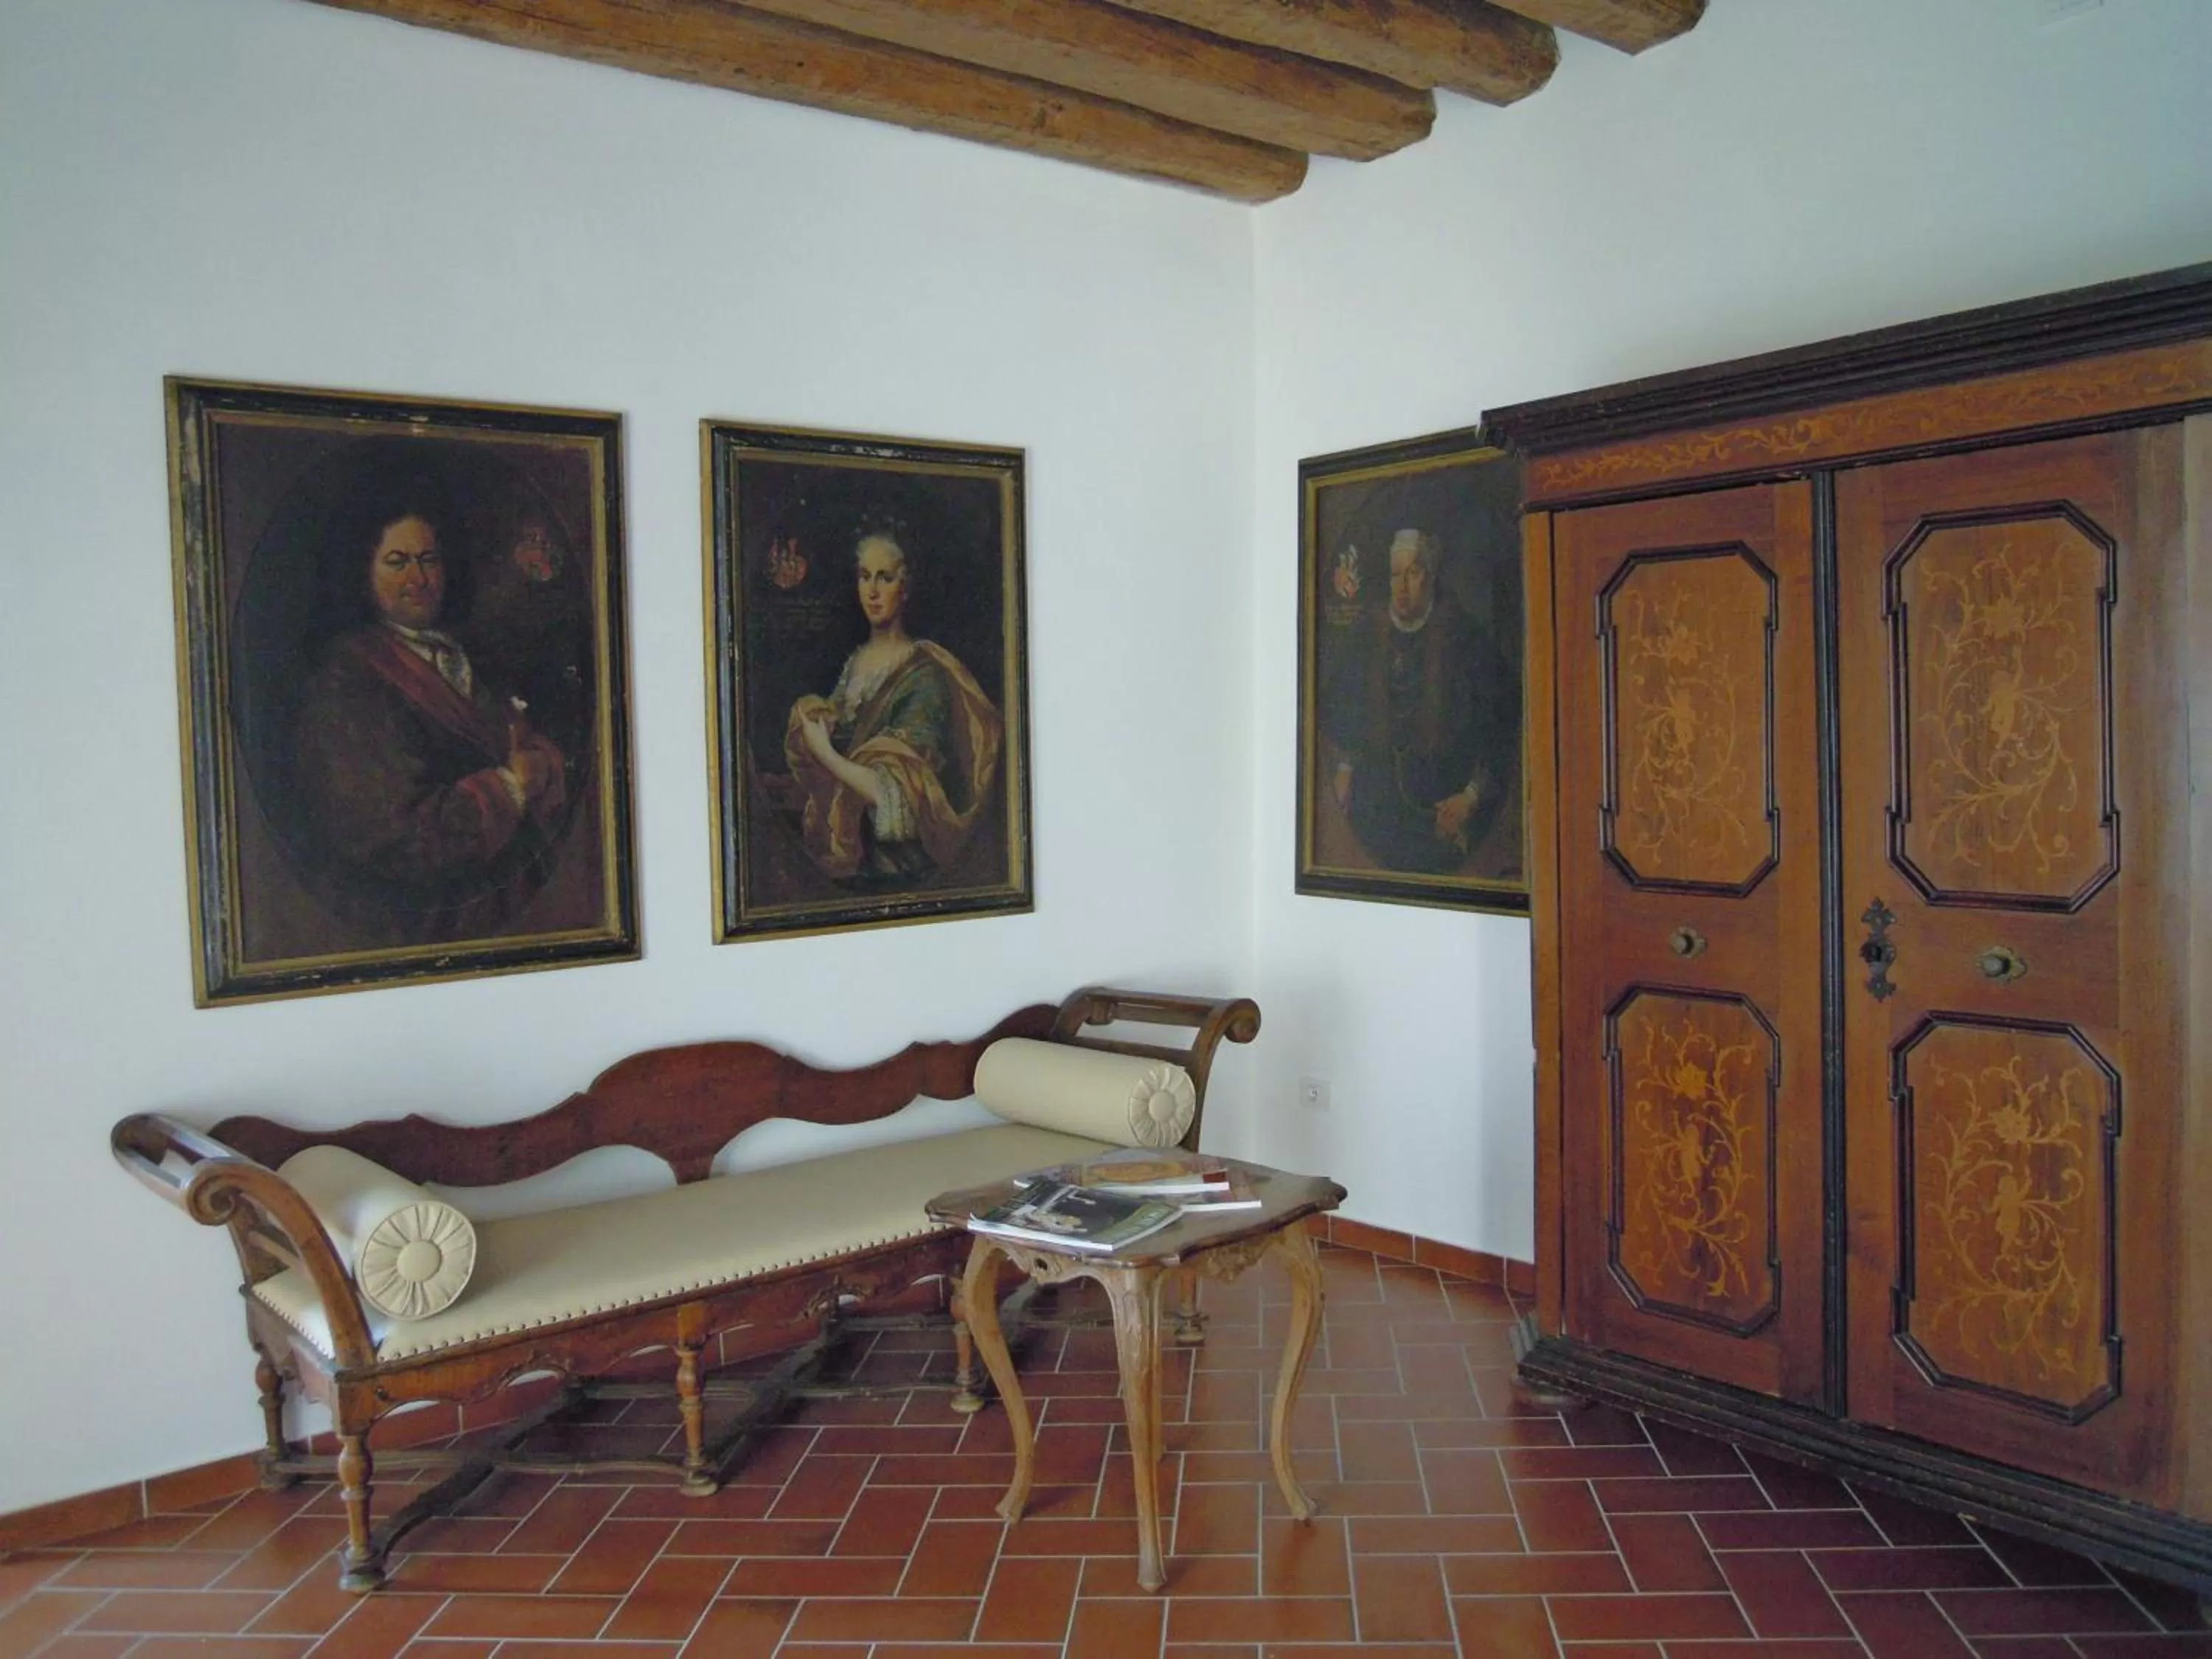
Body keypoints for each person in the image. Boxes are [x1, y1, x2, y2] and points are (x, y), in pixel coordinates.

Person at [292, 508, 568, 944]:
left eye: (429, 560)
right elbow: (393, 831)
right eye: (398, 562)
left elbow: (517, 738)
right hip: (417, 919)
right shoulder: (349, 677)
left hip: (507, 905)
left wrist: (541, 760)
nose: (418, 579)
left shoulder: (465, 655)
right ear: (364, 570)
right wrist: (512, 785)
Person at [784, 529, 1003, 885]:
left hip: (898, 869)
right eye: (865, 576)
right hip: (853, 856)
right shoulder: (855, 663)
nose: (872, 592)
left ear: (906, 588)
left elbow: (896, 800)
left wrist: (824, 752)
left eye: (885, 578)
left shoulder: (924, 676)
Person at [1325, 526, 1506, 874]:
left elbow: (1500, 725)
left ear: (1432, 575)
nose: (1403, 587)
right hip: (1374, 811)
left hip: (1440, 812)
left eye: (1413, 572)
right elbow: (1340, 709)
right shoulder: (1367, 634)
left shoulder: (1464, 638)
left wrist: (1470, 797)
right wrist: (1344, 770)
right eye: (1396, 575)